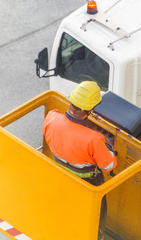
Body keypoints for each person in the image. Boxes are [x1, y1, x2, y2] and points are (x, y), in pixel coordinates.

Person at [42, 81, 117, 239]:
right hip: (89, 185)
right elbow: (109, 166)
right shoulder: (94, 139)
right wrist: (109, 148)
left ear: (71, 101)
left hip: (62, 177)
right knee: (96, 217)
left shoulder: (51, 118)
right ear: (90, 110)